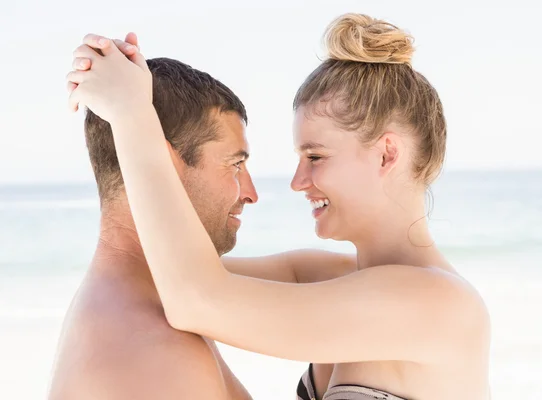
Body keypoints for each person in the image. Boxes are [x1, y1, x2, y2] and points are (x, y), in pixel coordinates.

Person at [67, 13, 491, 400]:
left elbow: (196, 298)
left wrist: (130, 113)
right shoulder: (328, 276)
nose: (297, 181)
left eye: (316, 157)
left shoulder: (438, 305)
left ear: (386, 155)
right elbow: (154, 266)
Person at [49, 40, 355, 400]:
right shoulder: (154, 356)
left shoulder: (138, 295)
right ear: (157, 162)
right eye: (235, 165)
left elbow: (302, 273)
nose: (250, 192)